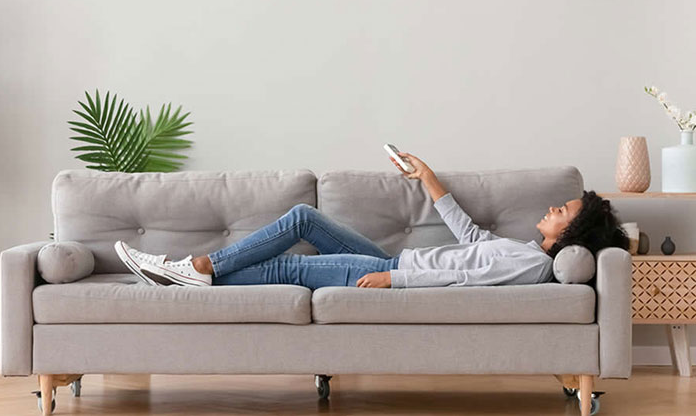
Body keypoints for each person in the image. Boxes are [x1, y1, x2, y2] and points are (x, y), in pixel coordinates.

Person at [114, 152, 629, 289]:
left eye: (563, 211)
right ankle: (193, 270)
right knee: (303, 217)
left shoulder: (533, 269)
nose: (553, 209)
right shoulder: (523, 251)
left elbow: (463, 278)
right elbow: (470, 238)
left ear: (571, 235)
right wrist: (426, 175)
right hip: (390, 258)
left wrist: (394, 279)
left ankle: (191, 270)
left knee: (287, 271)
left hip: (391, 268)